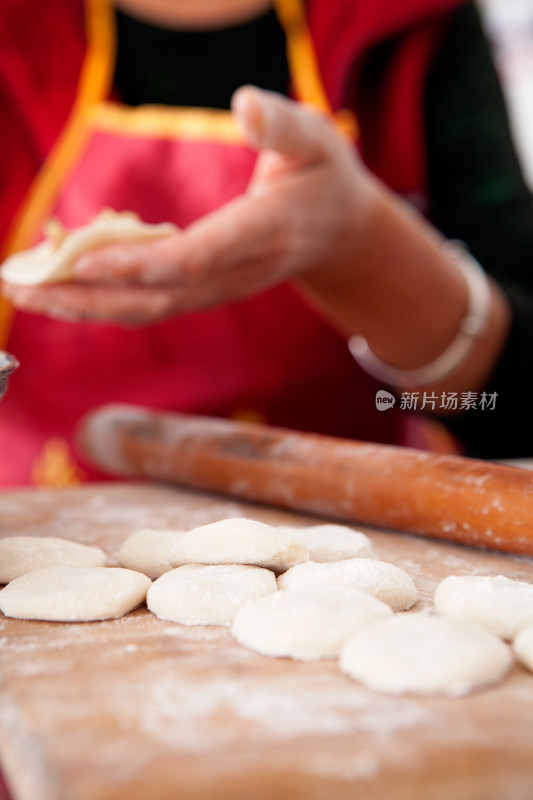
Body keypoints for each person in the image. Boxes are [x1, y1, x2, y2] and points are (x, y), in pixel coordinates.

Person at [0, 0, 532, 488]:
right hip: (37, 533)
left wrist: (362, 248)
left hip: (351, 534)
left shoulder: (409, 20)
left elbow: (511, 405)